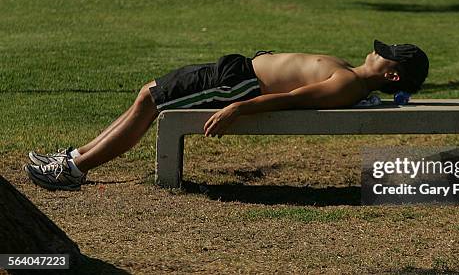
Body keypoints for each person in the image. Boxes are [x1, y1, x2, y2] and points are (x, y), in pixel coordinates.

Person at [24, 40, 429, 190]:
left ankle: (73, 169)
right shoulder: (355, 79)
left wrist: (238, 106)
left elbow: (292, 98)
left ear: (391, 73)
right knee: (146, 94)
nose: (377, 51)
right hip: (237, 72)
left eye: (385, 55)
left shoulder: (348, 85)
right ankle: (74, 156)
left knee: (150, 100)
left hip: (238, 85)